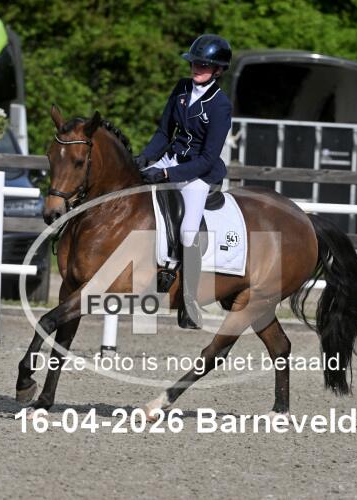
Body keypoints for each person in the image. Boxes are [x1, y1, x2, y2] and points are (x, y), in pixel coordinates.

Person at [135, 34, 233, 329]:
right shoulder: (181, 88)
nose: (196, 68)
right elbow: (164, 133)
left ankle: (189, 303)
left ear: (218, 70)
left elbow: (207, 158)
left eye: (204, 65)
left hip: (198, 173)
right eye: (194, 63)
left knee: (188, 232)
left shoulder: (220, 105)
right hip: (171, 160)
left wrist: (167, 175)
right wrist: (145, 158)